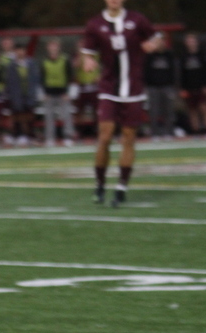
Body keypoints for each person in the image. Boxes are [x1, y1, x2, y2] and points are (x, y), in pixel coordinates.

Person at [81, 0, 162, 207]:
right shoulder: (95, 24)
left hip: (133, 88)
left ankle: (121, 187)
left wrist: (154, 44)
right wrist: (88, 60)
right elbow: (87, 51)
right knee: (105, 136)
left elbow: (157, 37)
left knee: (128, 138)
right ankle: (100, 184)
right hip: (109, 88)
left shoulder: (137, 19)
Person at [179, 33, 206, 136]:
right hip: (189, 87)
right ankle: (196, 131)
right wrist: (183, 88)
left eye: (193, 41)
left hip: (201, 86)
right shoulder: (184, 57)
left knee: (204, 108)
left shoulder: (202, 55)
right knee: (192, 110)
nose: (191, 43)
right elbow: (182, 74)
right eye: (189, 41)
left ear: (197, 42)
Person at [40, 38, 76, 147]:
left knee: (66, 115)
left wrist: (67, 92)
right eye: (51, 45)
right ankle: (50, 138)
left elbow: (70, 75)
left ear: (59, 47)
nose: (53, 48)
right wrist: (44, 92)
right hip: (49, 93)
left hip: (62, 93)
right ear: (48, 47)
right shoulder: (44, 61)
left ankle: (68, 137)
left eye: (55, 45)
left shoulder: (65, 59)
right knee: (49, 117)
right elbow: (42, 77)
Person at [5, 45, 39, 147]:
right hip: (17, 95)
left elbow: (35, 79)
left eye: (22, 50)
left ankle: (30, 135)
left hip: (29, 94)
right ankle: (18, 135)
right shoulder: (11, 66)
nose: (20, 52)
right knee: (18, 117)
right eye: (18, 50)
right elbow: (10, 82)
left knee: (29, 117)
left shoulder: (31, 64)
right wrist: (11, 95)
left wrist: (34, 93)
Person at [144, 37, 176, 139]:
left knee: (168, 110)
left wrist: (173, 85)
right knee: (154, 111)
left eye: (160, 41)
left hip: (167, 86)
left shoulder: (169, 55)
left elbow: (174, 71)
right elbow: (145, 71)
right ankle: (154, 133)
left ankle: (169, 132)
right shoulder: (149, 56)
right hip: (153, 87)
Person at [72, 39, 100, 137]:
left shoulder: (95, 55)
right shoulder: (77, 56)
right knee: (80, 111)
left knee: (97, 110)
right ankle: (80, 131)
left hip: (94, 87)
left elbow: (100, 65)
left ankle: (97, 130)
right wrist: (81, 53)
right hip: (82, 87)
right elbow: (76, 65)